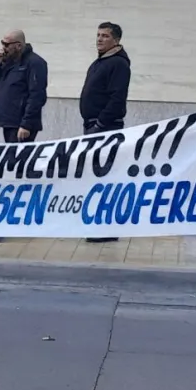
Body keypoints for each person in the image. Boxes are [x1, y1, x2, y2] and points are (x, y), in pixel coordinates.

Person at [79, 22, 131, 243]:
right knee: (95, 176)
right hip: (93, 126)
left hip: (105, 128)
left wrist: (100, 124)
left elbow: (116, 98)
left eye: (105, 36)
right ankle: (97, 224)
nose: (99, 39)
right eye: (98, 35)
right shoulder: (100, 62)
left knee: (105, 176)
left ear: (116, 40)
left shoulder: (118, 65)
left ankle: (106, 229)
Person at [0, 29, 49, 143]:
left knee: (19, 159)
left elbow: (37, 96)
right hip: (8, 122)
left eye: (6, 44)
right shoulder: (7, 62)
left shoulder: (34, 63)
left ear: (18, 46)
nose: (3, 47)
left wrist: (26, 124)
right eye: (2, 43)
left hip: (21, 124)